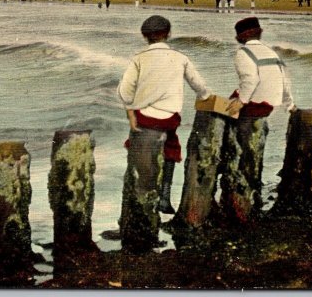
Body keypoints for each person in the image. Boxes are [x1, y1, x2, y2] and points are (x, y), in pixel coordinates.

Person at [117, 15, 211, 216]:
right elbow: (200, 86)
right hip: (169, 120)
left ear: (145, 37)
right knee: (171, 147)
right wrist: (205, 97)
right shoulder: (180, 58)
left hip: (144, 119)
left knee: (137, 150)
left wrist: (130, 110)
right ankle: (165, 196)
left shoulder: (138, 59)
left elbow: (124, 93)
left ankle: (142, 200)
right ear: (169, 34)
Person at [224, 17, 296, 219]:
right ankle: (255, 181)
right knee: (254, 146)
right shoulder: (271, 52)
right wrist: (290, 104)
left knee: (241, 145)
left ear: (241, 36)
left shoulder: (243, 53)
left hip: (253, 107)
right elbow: (285, 81)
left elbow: (250, 79)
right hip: (270, 105)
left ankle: (245, 188)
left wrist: (241, 101)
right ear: (259, 32)